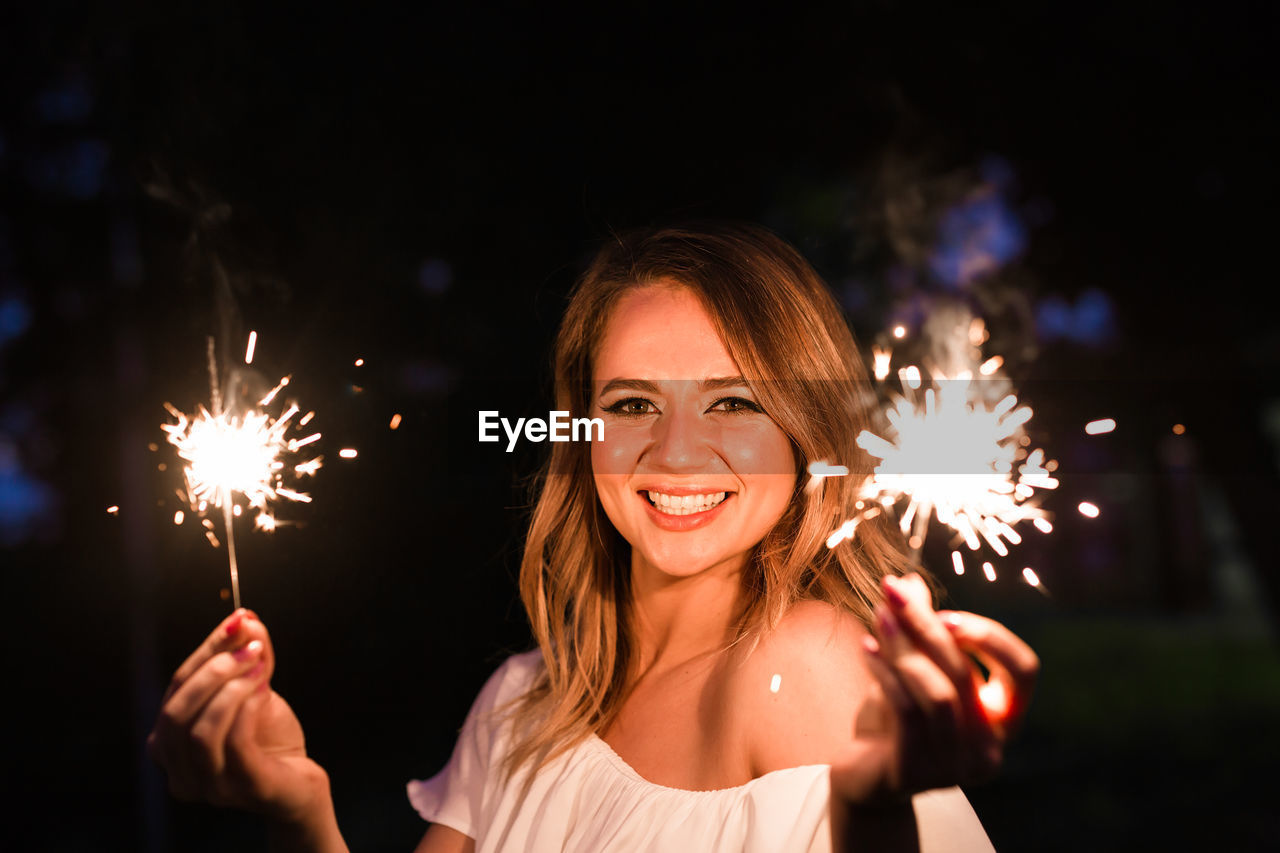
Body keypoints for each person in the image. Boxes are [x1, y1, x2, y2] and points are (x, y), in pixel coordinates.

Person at [148, 224, 1039, 852]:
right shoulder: (520, 702)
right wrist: (299, 812)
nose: (677, 451)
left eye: (733, 402)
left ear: (806, 434)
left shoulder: (808, 663)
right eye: (632, 404)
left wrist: (875, 815)